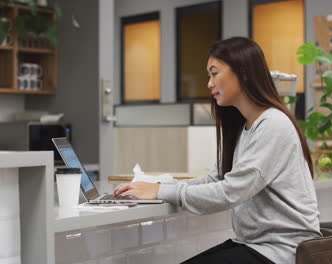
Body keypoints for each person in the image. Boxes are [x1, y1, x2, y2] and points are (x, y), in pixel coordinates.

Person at [113, 37, 321, 264]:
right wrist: (158, 187)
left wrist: (160, 192)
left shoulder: (273, 124)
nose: (209, 84)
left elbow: (230, 192)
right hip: (257, 246)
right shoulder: (245, 126)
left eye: (214, 73)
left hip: (284, 252)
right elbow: (216, 179)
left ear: (243, 73)